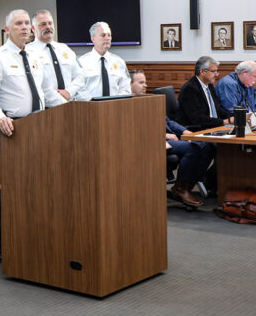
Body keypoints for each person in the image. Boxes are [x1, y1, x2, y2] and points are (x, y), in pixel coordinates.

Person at [0, 9, 47, 262]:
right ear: (7, 29)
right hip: (14, 129)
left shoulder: (36, 55)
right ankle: (2, 242)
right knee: (14, 191)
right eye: (18, 24)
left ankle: (33, 239)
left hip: (41, 127)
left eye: (27, 23)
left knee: (40, 188)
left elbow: (45, 93)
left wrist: (72, 107)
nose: (25, 27)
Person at [130, 71, 212, 207]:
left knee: (208, 146)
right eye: (141, 82)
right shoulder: (126, 104)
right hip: (150, 141)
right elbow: (135, 130)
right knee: (194, 147)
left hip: (166, 140)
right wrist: (162, 135)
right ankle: (180, 189)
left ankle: (186, 186)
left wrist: (186, 131)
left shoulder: (147, 100)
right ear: (129, 84)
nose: (145, 85)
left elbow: (168, 122)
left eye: (145, 82)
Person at [26, 9, 85, 107]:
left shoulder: (65, 49)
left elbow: (80, 76)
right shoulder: (28, 52)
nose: (48, 27)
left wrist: (68, 92)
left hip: (70, 105)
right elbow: (36, 84)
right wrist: (60, 100)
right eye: (43, 24)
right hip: (45, 109)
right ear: (33, 28)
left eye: (50, 23)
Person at [76, 21, 131, 100]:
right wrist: (93, 103)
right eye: (103, 35)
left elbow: (125, 88)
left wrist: (116, 103)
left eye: (109, 35)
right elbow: (78, 89)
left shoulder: (119, 62)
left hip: (115, 107)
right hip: (90, 108)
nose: (107, 38)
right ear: (93, 38)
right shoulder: (82, 62)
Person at [177, 56, 231, 131]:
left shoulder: (210, 86)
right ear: (202, 71)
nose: (216, 75)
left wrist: (234, 117)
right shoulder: (190, 88)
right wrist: (223, 122)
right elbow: (196, 118)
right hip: (199, 130)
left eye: (216, 71)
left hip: (213, 127)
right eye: (213, 71)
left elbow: (217, 110)